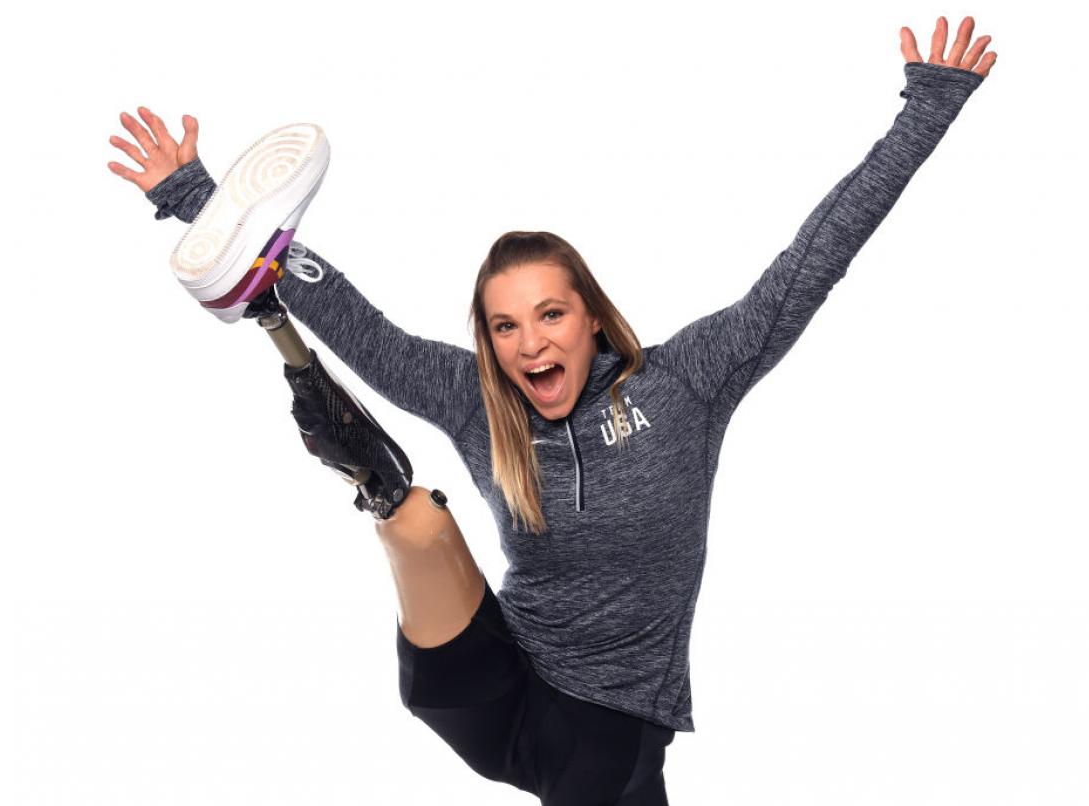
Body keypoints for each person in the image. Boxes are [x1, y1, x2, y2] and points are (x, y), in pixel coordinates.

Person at [107, 16, 996, 804]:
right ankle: (380, 486)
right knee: (415, 521)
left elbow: (814, 258)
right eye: (504, 326)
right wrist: (201, 200)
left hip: (600, 719)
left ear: (591, 316)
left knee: (615, 766)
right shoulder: (477, 399)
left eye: (550, 315)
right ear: (489, 341)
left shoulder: (684, 384)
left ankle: (384, 488)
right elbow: (363, 327)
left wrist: (930, 106)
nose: (530, 345)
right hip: (486, 677)